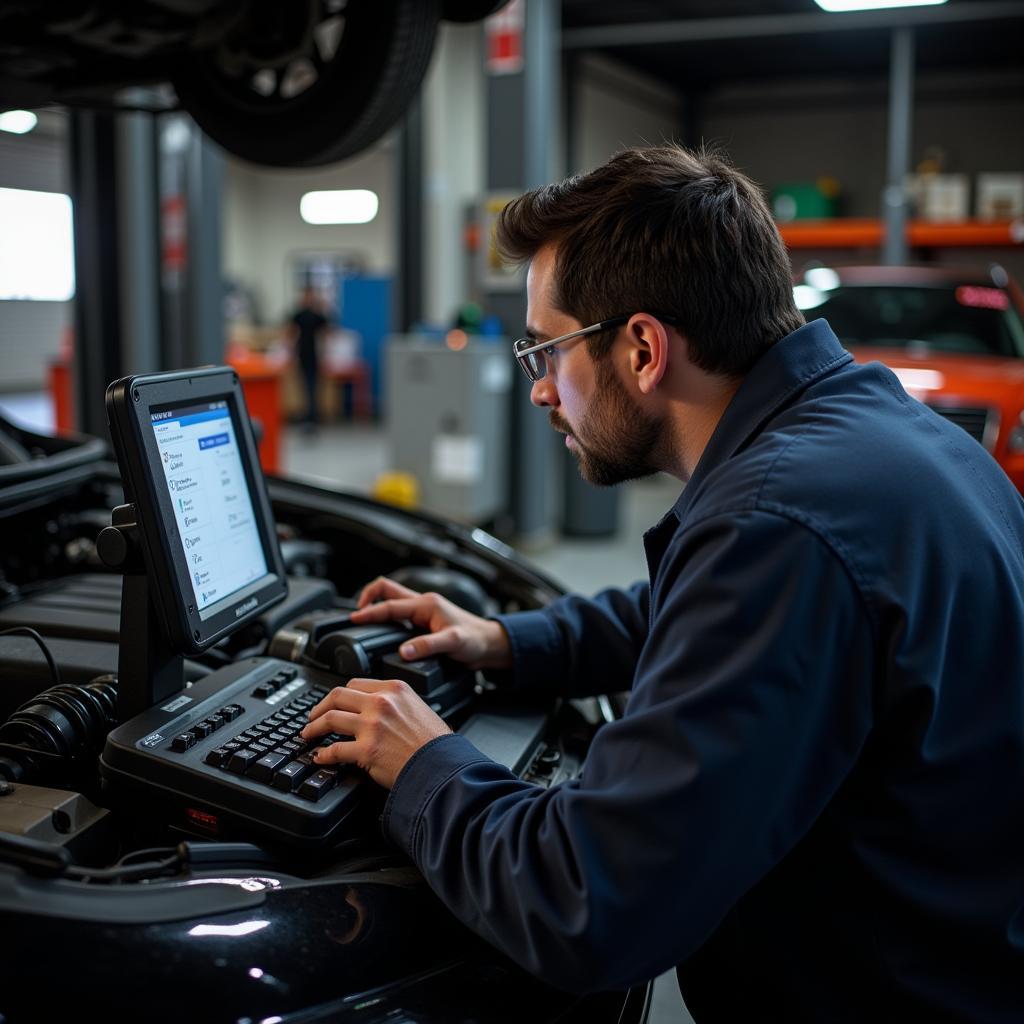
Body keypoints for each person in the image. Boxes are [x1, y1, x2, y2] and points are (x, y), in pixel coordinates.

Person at [299, 146, 1024, 1020]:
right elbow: (702, 609)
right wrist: (504, 641)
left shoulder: (777, 525)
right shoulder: (874, 434)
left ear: (643, 348)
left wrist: (423, 764)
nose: (538, 391)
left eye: (546, 350)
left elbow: (586, 906)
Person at [288, 284, 328, 432]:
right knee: (303, 387)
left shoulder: (319, 316)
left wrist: (325, 353)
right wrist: (290, 352)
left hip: (315, 355)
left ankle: (313, 416)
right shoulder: (298, 315)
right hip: (302, 354)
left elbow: (325, 335)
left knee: (314, 386)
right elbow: (291, 333)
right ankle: (306, 415)